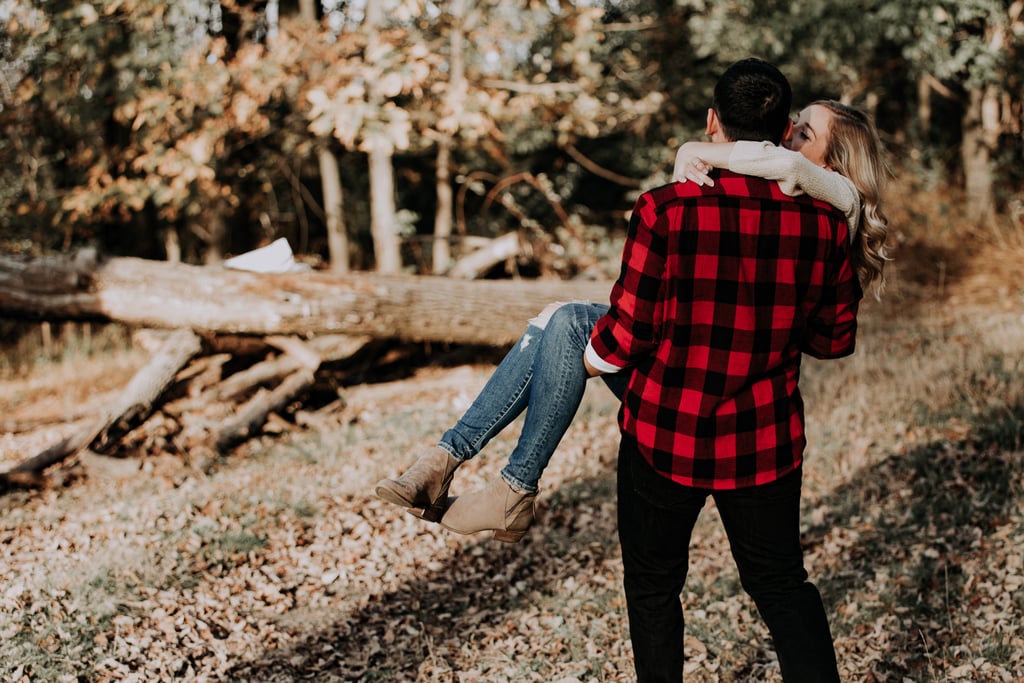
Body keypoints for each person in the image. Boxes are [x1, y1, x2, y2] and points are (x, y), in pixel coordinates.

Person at [374, 86, 888, 545]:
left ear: (837, 166)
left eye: (802, 134)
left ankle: (504, 482)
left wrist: (694, 149)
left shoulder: (832, 202)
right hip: (736, 399)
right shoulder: (802, 214)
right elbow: (825, 337)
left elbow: (787, 167)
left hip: (694, 401)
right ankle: (451, 462)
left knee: (568, 327)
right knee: (562, 318)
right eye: (789, 129)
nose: (786, 144)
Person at [584, 57, 862, 681]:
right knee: (783, 585)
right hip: (764, 441)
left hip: (665, 434)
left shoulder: (664, 209)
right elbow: (835, 340)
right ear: (784, 130)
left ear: (712, 122)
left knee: (654, 588)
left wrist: (588, 353)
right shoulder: (824, 224)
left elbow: (627, 333)